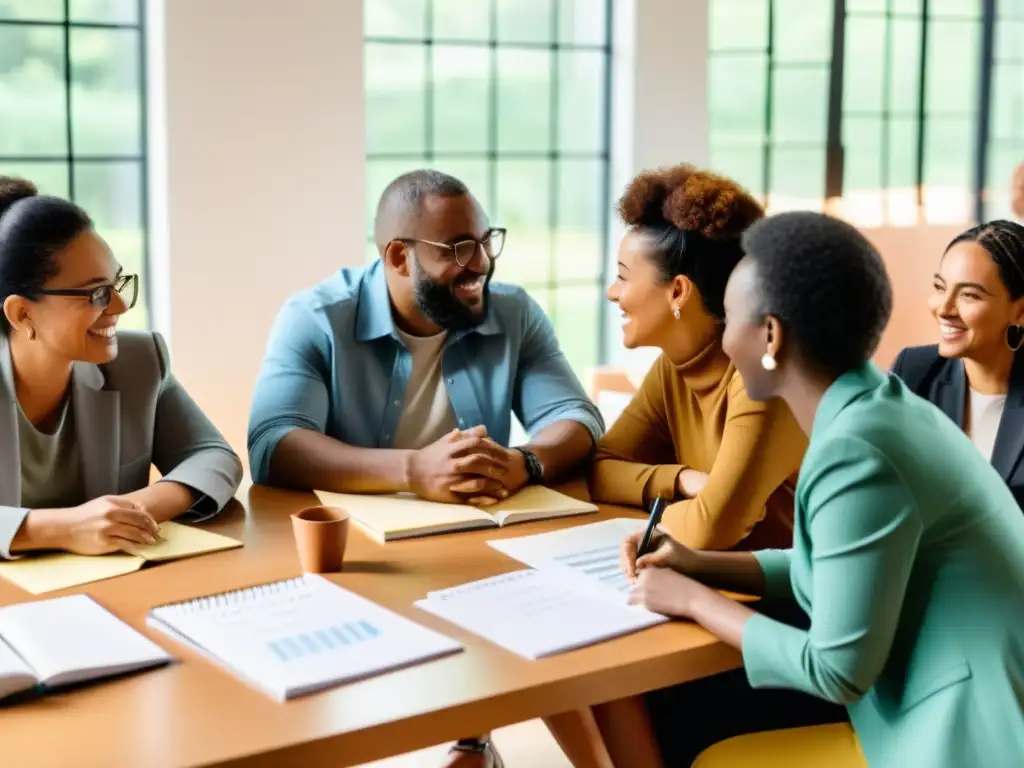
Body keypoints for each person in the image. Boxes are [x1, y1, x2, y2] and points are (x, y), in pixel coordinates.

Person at [623, 211, 1024, 767]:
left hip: (968, 735)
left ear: (770, 335)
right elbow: (835, 566)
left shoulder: (857, 451)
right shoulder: (881, 407)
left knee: (681, 710)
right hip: (936, 690)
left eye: (730, 318)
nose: (723, 339)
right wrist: (698, 564)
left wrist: (692, 599)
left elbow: (836, 670)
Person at [247, 169, 603, 768]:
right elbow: (274, 444)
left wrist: (526, 461)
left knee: (573, 642)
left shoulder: (512, 313)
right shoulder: (316, 317)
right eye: (458, 249)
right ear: (397, 255)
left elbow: (576, 415)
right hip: (355, 554)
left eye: (486, 241)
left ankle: (473, 739)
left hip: (474, 544)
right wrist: (413, 470)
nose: (481, 263)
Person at [0, 177, 243, 559]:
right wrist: (65, 528)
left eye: (118, 284)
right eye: (96, 293)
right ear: (22, 312)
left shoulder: (140, 361)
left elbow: (214, 457)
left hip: (112, 592)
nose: (119, 306)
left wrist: (132, 512)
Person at [591, 164, 806, 550]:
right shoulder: (675, 368)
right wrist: (682, 480)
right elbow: (599, 468)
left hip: (789, 601)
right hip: (713, 583)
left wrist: (666, 512)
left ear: (678, 292)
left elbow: (712, 527)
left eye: (623, 276)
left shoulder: (761, 378)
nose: (612, 292)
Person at [891, 221, 1024, 510]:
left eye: (969, 295)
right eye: (940, 288)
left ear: (1020, 311)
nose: (944, 309)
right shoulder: (914, 372)